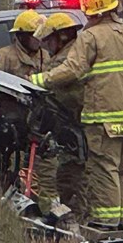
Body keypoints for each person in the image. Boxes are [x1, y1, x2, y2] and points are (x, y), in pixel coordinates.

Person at [32, 0, 123, 232]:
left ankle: (107, 220)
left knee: (104, 168)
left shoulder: (91, 37)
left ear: (93, 14)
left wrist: (41, 80)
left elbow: (73, 70)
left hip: (103, 117)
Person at [30, 13, 87, 221]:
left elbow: (57, 92)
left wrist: (33, 82)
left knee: (70, 177)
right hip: (76, 125)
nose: (46, 45)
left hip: (75, 125)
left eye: (49, 40)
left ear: (61, 37)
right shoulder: (77, 51)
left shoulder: (65, 60)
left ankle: (77, 219)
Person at [0, 10, 45, 80]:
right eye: (34, 34)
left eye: (40, 34)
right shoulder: (5, 56)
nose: (38, 39)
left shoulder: (44, 55)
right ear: (20, 36)